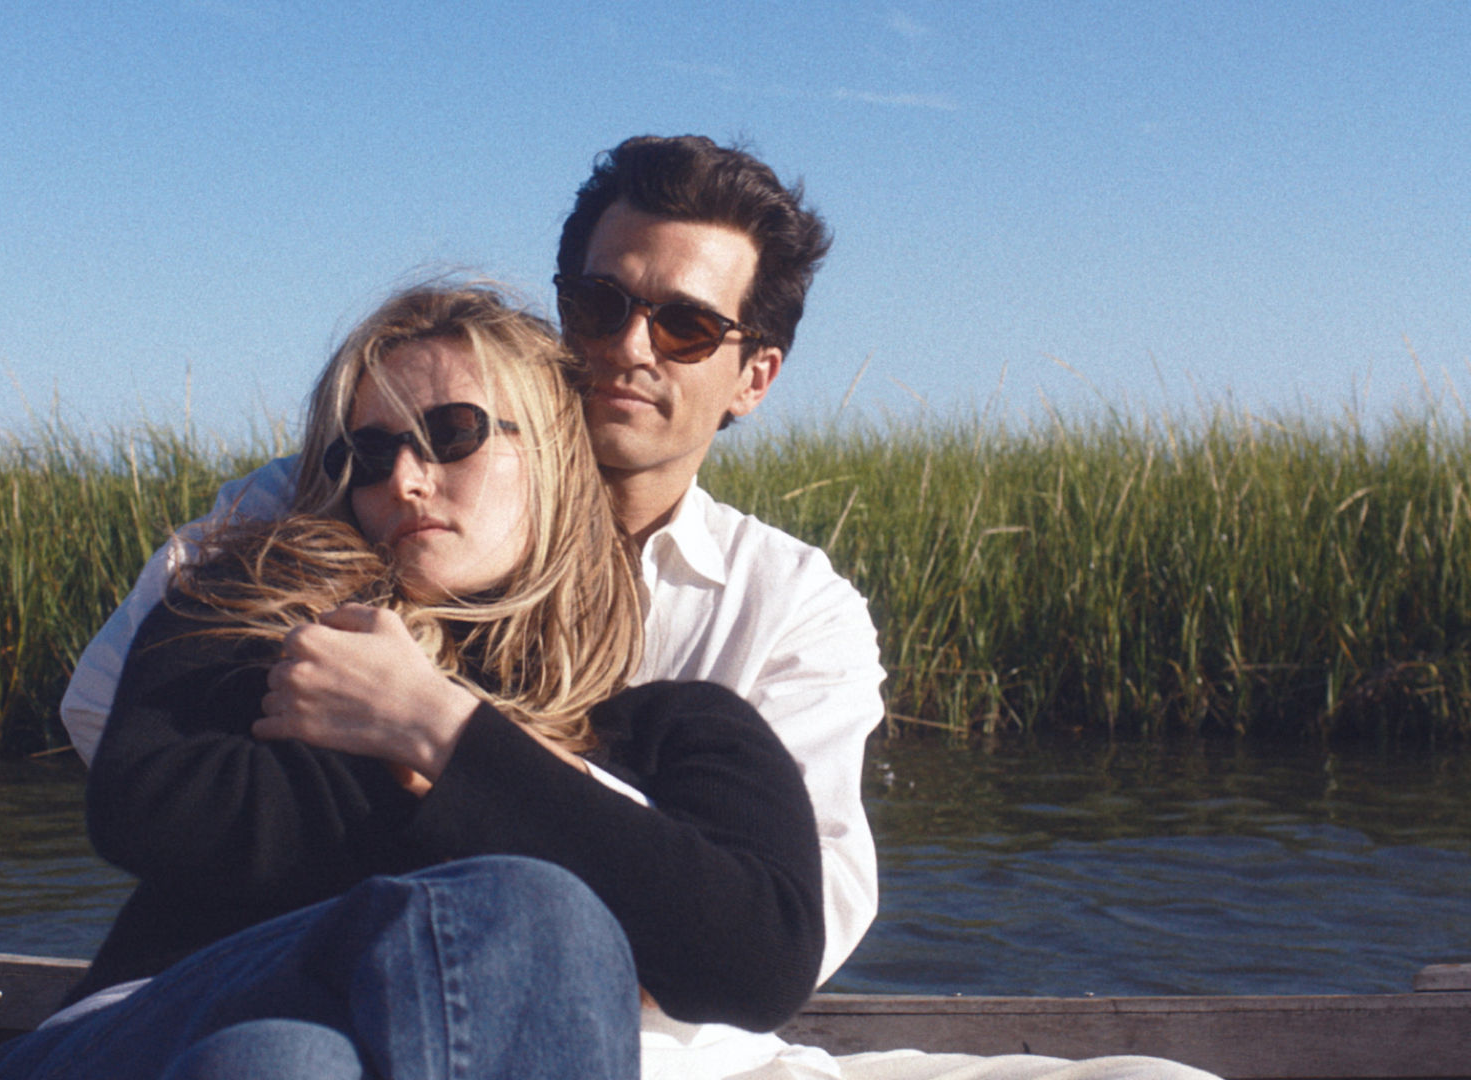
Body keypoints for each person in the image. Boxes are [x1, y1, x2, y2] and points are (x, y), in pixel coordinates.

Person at [60, 137, 1221, 1080]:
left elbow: (774, 941)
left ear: (751, 375)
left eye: (684, 326)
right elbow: (128, 756)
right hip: (247, 992)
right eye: (600, 303)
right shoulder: (305, 525)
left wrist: (439, 739)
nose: (626, 349)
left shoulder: (761, 634)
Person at [0, 284, 826, 1080]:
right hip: (139, 1023)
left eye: (454, 434)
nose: (405, 479)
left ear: (556, 453)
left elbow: (761, 960)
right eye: (370, 451)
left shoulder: (678, 729)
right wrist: (488, 795)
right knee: (529, 907)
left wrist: (438, 729)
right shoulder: (265, 609)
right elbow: (150, 804)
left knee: (287, 1061)